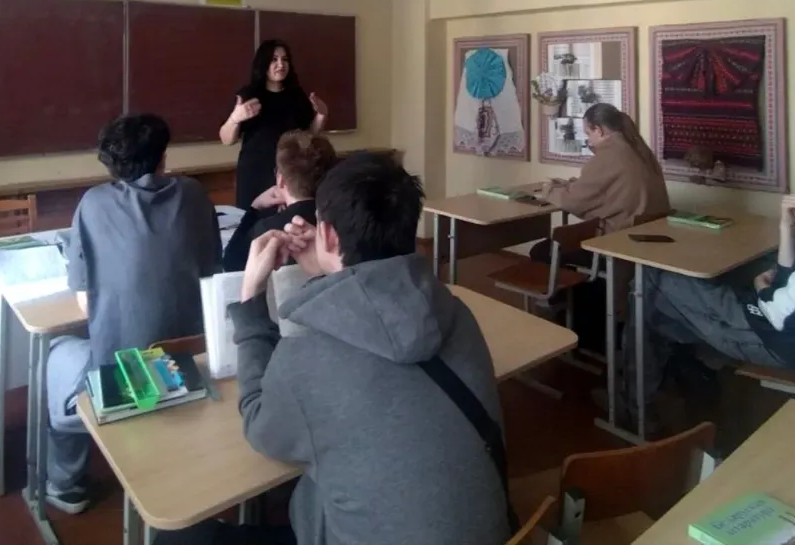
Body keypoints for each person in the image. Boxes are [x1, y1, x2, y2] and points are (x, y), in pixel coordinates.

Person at [159, 153, 511, 545]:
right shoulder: (456, 311)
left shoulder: (305, 358)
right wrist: (331, 267)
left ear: (326, 235)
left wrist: (250, 302)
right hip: (497, 534)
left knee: (173, 539)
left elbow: (259, 425)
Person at [617, 135, 795, 430]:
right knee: (658, 308)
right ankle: (684, 376)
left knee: (650, 278)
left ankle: (638, 405)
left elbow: (782, 316)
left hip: (785, 343)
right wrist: (787, 227)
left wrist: (761, 288)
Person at [46, 114, 223, 514]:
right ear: (163, 157)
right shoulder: (195, 194)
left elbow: (86, 303)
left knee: (55, 353)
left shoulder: (94, 204)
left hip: (126, 378)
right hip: (191, 366)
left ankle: (65, 485)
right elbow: (213, 267)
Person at [532, 102, 671, 268]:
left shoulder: (609, 155)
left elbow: (573, 202)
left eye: (588, 133)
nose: (588, 139)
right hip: (646, 238)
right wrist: (569, 184)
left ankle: (580, 285)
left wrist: (549, 190)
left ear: (598, 130)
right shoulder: (639, 150)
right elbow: (606, 189)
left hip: (618, 243)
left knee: (541, 251)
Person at [219, 40, 329, 209]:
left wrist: (322, 115)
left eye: (285, 59)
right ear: (264, 64)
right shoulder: (248, 95)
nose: (280, 64)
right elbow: (226, 139)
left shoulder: (297, 95)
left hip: (290, 172)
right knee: (253, 220)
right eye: (274, 59)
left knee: (287, 221)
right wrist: (235, 118)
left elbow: (308, 136)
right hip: (255, 173)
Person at [222, 130, 337, 272]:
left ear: (280, 179)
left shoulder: (266, 229)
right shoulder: (341, 220)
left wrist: (254, 209)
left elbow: (230, 264)